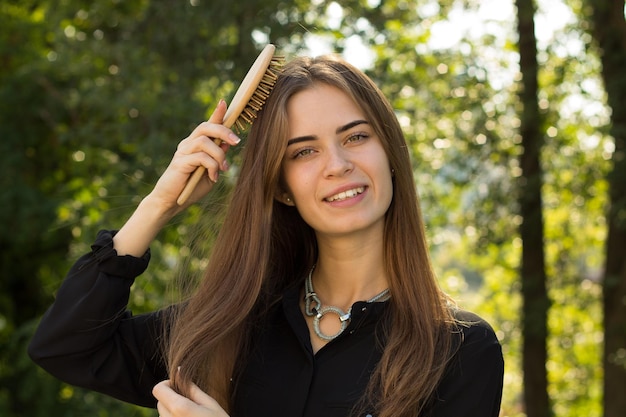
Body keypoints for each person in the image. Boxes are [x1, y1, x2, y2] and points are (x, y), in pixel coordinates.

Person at [28, 54, 504, 417]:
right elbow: (65, 346)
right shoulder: (225, 328)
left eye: (356, 137)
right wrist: (158, 206)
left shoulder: (460, 351)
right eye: (303, 152)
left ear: (391, 152)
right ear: (282, 189)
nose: (337, 165)